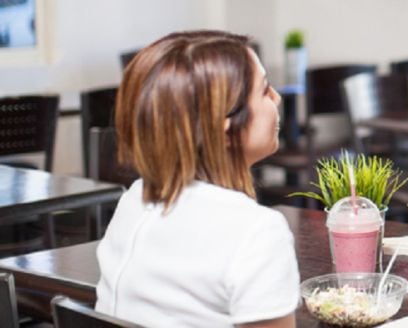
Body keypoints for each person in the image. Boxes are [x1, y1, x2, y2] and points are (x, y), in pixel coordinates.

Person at [96, 30, 299, 327]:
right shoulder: (256, 232)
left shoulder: (137, 198)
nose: (277, 98)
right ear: (225, 127)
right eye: (265, 91)